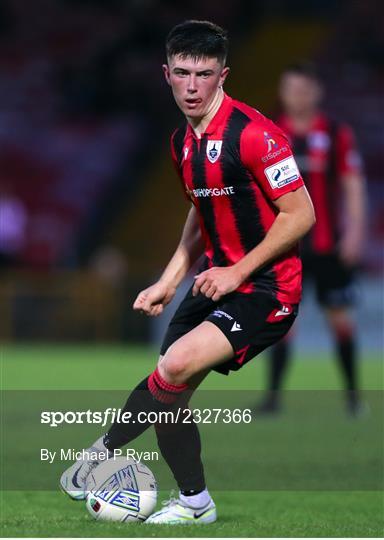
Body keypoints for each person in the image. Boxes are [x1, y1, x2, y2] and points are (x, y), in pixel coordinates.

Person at [60, 21, 315, 524]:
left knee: (173, 366)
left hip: (266, 288)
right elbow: (201, 213)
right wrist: (170, 278)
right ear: (167, 74)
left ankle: (98, 454)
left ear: (224, 75)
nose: (193, 86)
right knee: (169, 397)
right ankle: (196, 502)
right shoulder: (181, 143)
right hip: (213, 278)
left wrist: (236, 271)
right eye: (182, 73)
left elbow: (301, 214)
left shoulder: (256, 135)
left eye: (204, 74)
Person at [256, 63, 366, 416]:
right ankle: (273, 400)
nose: (297, 96)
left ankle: (352, 399)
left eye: (304, 90)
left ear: (316, 92)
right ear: (282, 92)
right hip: (286, 248)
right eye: (291, 89)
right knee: (282, 320)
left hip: (327, 246)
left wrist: (354, 232)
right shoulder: (269, 133)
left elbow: (352, 185)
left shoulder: (335, 133)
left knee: (340, 320)